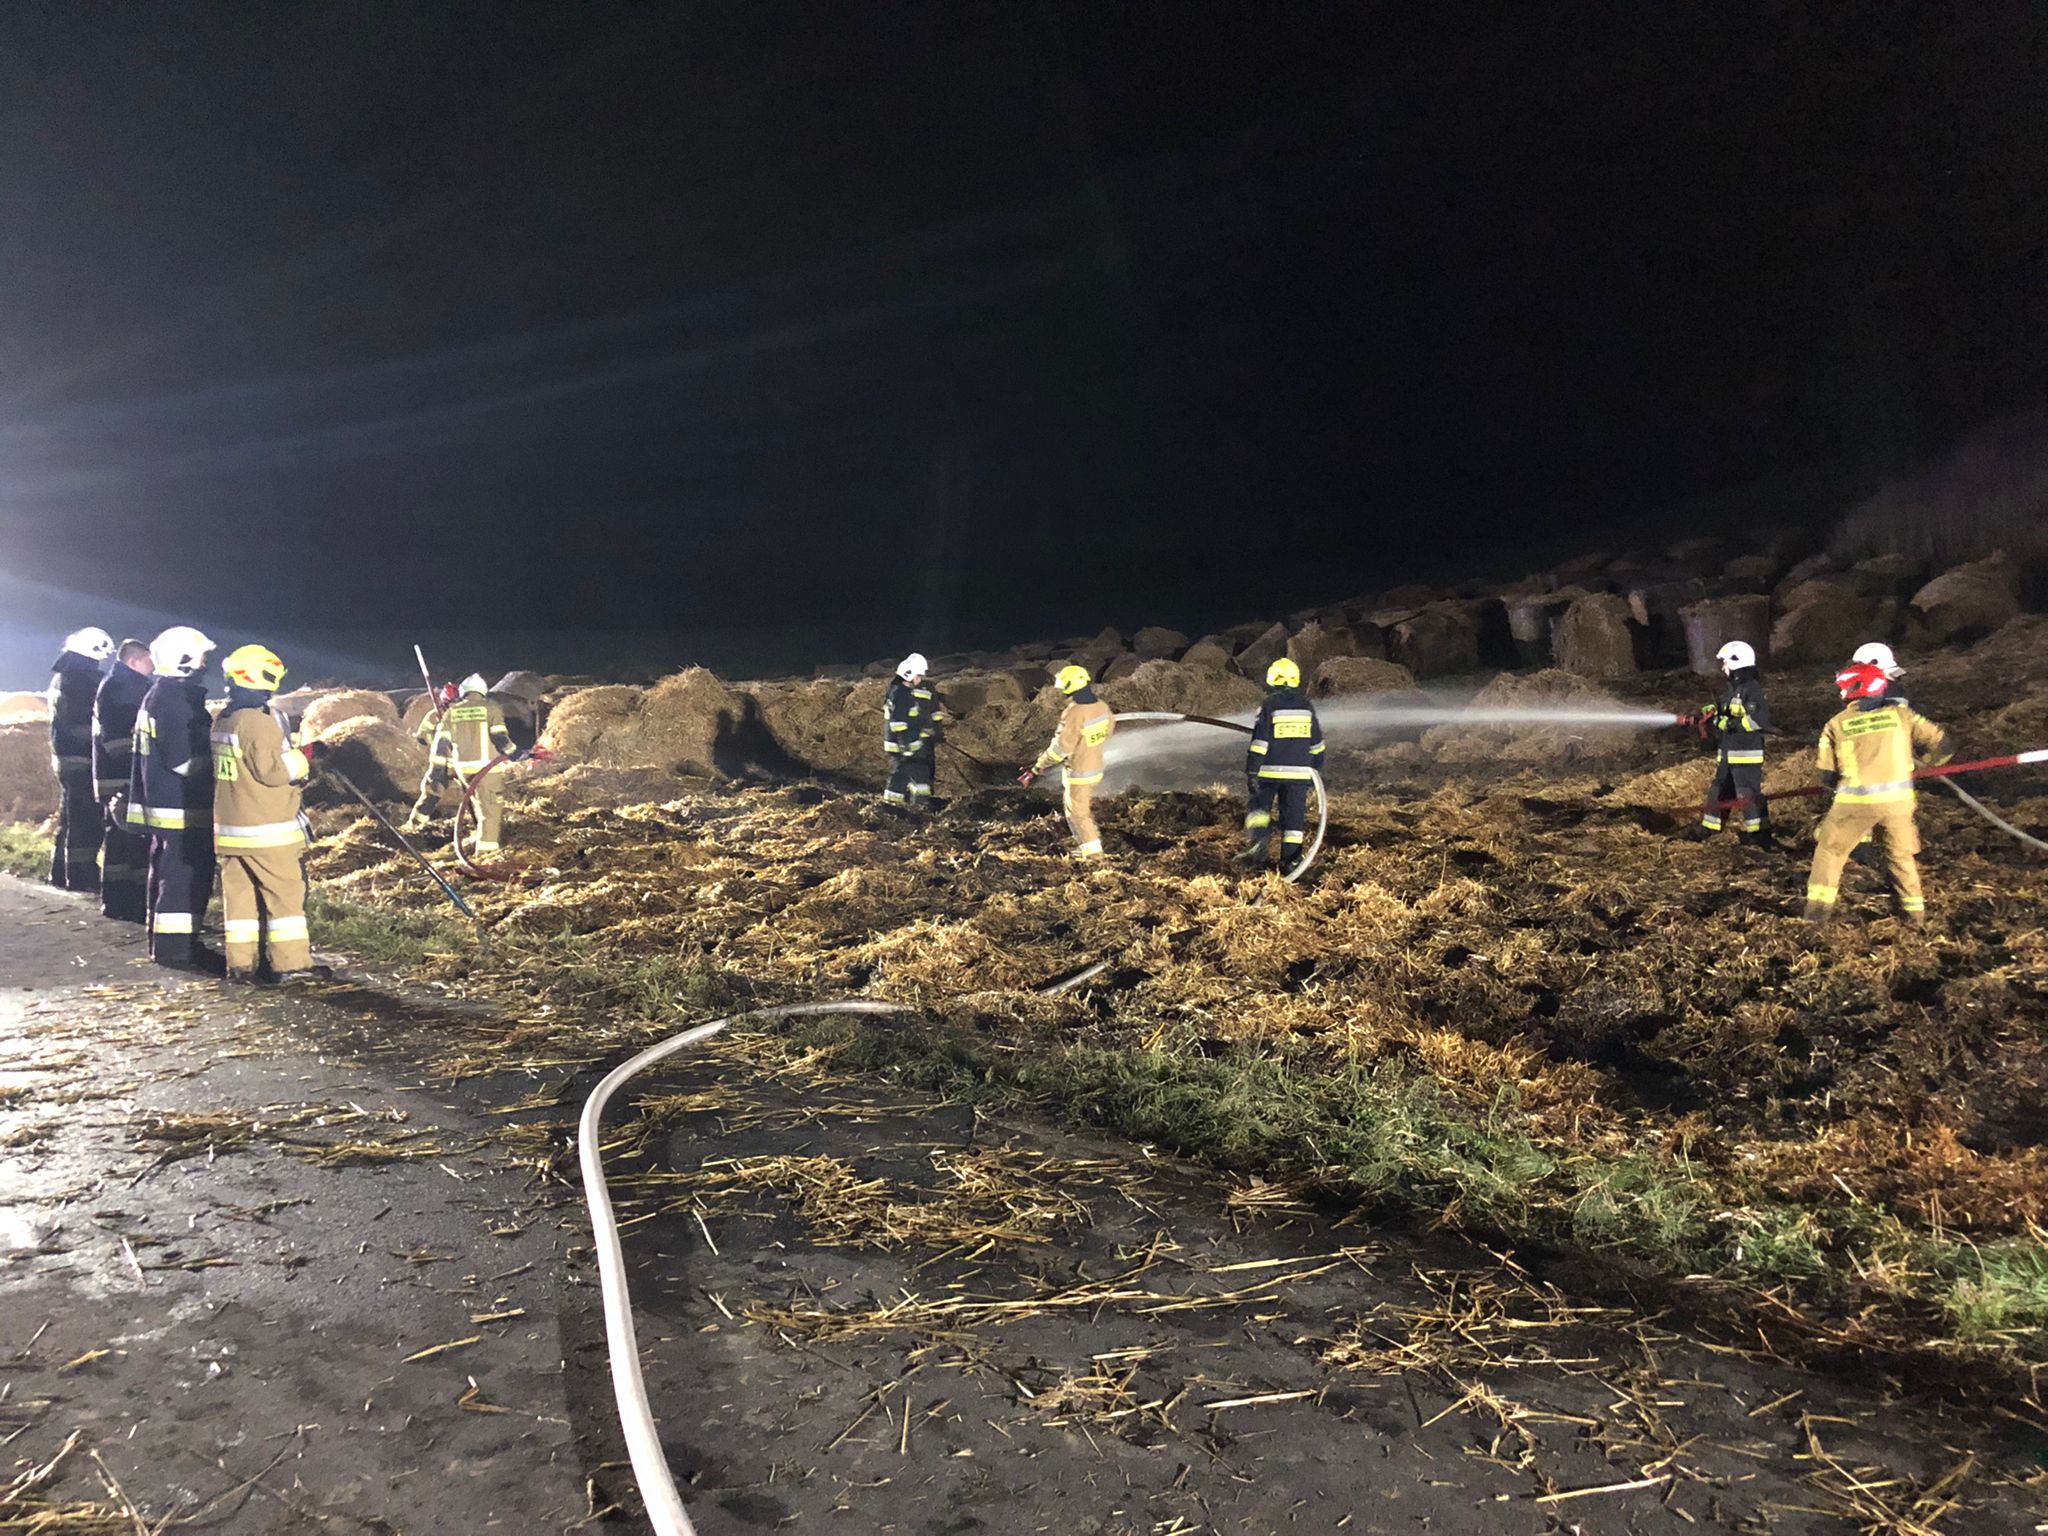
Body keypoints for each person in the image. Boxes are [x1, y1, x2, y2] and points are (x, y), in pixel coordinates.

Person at [1804, 656, 1954, 924]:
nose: (1840, 693)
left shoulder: (1836, 724)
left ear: (1856, 688)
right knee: (1901, 857)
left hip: (1855, 804)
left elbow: (1827, 775)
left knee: (1829, 852)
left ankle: (1816, 917)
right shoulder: (1903, 715)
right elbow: (1944, 746)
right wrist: (1922, 768)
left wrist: (1831, 796)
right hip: (1899, 804)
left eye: (1844, 687)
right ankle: (1915, 917)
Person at [212, 644, 325, 984]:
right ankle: (291, 965)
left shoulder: (223, 720)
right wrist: (306, 756)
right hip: (265, 831)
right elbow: (272, 772)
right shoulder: (257, 723)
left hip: (231, 829)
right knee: (285, 898)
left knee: (240, 902)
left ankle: (240, 965)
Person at [129, 627, 220, 970]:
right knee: (183, 880)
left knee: (167, 876)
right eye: (202, 657)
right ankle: (178, 950)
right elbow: (184, 762)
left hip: (166, 806)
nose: (205, 664)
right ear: (185, 661)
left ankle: (167, 945)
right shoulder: (175, 703)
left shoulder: (160, 695)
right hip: (180, 807)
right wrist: (222, 763)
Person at [406, 674, 521, 855]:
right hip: (452, 764)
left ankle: (479, 832)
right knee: (434, 795)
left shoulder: (452, 713)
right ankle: (414, 828)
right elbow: (422, 737)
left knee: (475, 799)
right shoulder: (437, 715)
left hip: (458, 764)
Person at [1239, 657, 1326, 875]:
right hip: (1299, 775)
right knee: (1294, 820)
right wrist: (1315, 768)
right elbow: (1317, 744)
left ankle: (1258, 846)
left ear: (1272, 680)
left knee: (1259, 809)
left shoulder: (1269, 704)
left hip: (1269, 773)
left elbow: (1260, 742)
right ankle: (1292, 861)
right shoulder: (1306, 706)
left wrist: (1252, 770)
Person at [1022, 664, 1115, 858]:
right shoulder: (1101, 706)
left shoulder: (1074, 713)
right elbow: (1108, 731)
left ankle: (1093, 855)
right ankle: (1088, 846)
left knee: (1078, 814)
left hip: (1079, 772)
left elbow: (1061, 749)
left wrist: (1039, 765)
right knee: (1082, 810)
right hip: (1096, 767)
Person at [92, 639, 156, 922]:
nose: (153, 664)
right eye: (148, 659)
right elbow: (118, 740)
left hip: (119, 776)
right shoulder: (120, 687)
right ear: (134, 661)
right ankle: (122, 902)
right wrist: (140, 765)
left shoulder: (123, 684)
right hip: (121, 777)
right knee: (125, 841)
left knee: (126, 842)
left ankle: (123, 901)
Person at [47, 627, 114, 892]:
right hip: (82, 758)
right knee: (86, 822)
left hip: (67, 757)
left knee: (70, 819)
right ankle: (81, 877)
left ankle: (60, 872)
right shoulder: (80, 680)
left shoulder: (64, 675)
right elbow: (83, 724)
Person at [1696, 640, 1772, 846]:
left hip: (1745, 753)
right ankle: (1709, 830)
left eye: (1725, 663)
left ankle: (1760, 835)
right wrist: (1712, 711)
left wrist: (1729, 724)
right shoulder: (1733, 690)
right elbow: (1726, 709)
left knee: (1747, 794)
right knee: (1719, 790)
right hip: (1729, 752)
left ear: (1736, 663)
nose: (1723, 668)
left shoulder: (1751, 689)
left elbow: (1759, 719)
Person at [882, 653, 941, 807]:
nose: (920, 679)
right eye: (918, 676)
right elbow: (899, 724)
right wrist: (907, 746)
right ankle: (891, 809)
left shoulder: (902, 692)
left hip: (909, 746)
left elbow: (911, 720)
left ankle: (918, 809)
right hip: (904, 747)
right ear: (909, 675)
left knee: (919, 778)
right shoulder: (900, 694)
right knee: (901, 778)